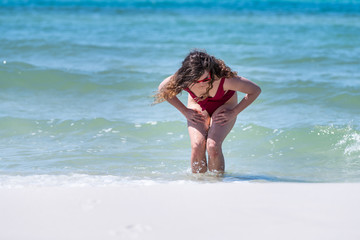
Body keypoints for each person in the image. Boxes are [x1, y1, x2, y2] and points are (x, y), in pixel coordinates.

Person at [154, 50, 261, 174]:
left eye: (205, 79)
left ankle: (217, 183)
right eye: (196, 81)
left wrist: (234, 112)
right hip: (197, 105)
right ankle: (199, 184)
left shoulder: (224, 78)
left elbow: (255, 90)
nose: (201, 85)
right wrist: (185, 111)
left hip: (224, 106)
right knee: (197, 145)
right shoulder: (184, 77)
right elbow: (163, 88)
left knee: (213, 146)